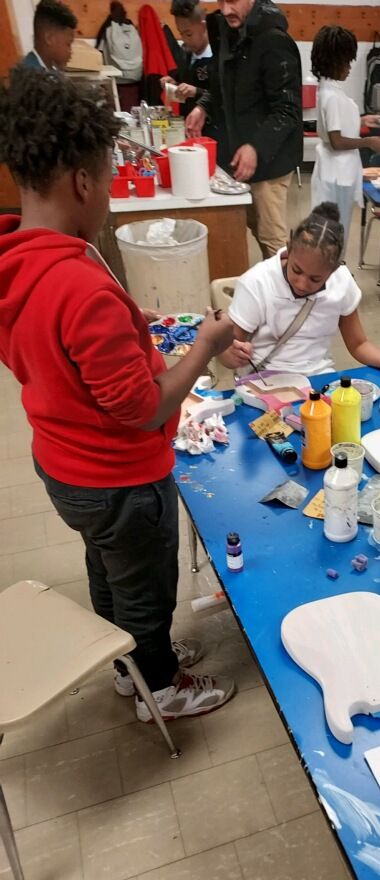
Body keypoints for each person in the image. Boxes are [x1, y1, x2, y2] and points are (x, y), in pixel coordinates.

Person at [0, 67, 236, 722]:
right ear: (82, 181)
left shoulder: (15, 263)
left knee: (108, 571)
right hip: (120, 480)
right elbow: (144, 409)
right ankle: (157, 685)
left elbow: (58, 361)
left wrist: (135, 344)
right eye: (106, 178)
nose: (107, 193)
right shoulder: (79, 286)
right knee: (143, 586)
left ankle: (131, 660)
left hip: (64, 466)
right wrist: (203, 348)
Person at [219, 202, 380, 388]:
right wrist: (232, 355)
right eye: (296, 270)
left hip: (319, 380)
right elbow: (226, 354)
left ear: (334, 269)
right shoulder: (257, 282)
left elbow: (358, 344)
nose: (302, 284)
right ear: (289, 249)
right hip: (265, 381)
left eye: (315, 279)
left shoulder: (342, 281)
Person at [187, 0, 302, 260]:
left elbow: (288, 110)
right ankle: (269, 294)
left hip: (270, 161)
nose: (226, 10)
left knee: (273, 241)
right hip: (240, 157)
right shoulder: (228, 31)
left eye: (233, 1)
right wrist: (203, 106)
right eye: (221, 1)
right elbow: (223, 85)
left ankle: (291, 297)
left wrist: (256, 148)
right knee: (253, 228)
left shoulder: (274, 41)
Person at [310, 25, 380, 249]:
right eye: (347, 61)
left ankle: (331, 272)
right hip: (337, 175)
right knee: (333, 234)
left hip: (335, 172)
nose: (349, 66)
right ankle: (331, 275)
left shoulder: (328, 90)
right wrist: (369, 142)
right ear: (335, 61)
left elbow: (335, 128)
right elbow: (336, 141)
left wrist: (362, 121)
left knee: (332, 231)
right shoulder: (332, 96)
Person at [161, 0, 222, 144]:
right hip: (187, 131)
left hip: (213, 134)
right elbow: (184, 81)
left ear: (203, 25)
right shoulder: (186, 54)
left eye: (188, 34)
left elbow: (222, 97)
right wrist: (173, 84)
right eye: (181, 34)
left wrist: (196, 91)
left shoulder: (218, 58)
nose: (184, 40)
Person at [22, 0, 77, 70]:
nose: (71, 52)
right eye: (68, 44)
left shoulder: (50, 69)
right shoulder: (29, 77)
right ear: (49, 38)